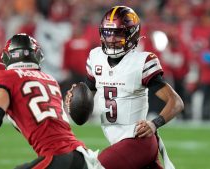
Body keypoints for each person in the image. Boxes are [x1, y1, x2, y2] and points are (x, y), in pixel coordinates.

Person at [0, 33, 103, 169]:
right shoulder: (50, 80)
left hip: (56, 157)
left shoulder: (4, 77)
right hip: (82, 156)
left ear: (7, 56)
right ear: (36, 55)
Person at [66, 6, 184, 169]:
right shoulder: (96, 57)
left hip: (138, 141)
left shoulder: (141, 62)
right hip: (121, 143)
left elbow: (176, 102)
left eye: (119, 33)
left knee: (93, 167)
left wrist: (154, 123)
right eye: (108, 33)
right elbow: (86, 98)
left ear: (132, 34)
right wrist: (73, 101)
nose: (112, 39)